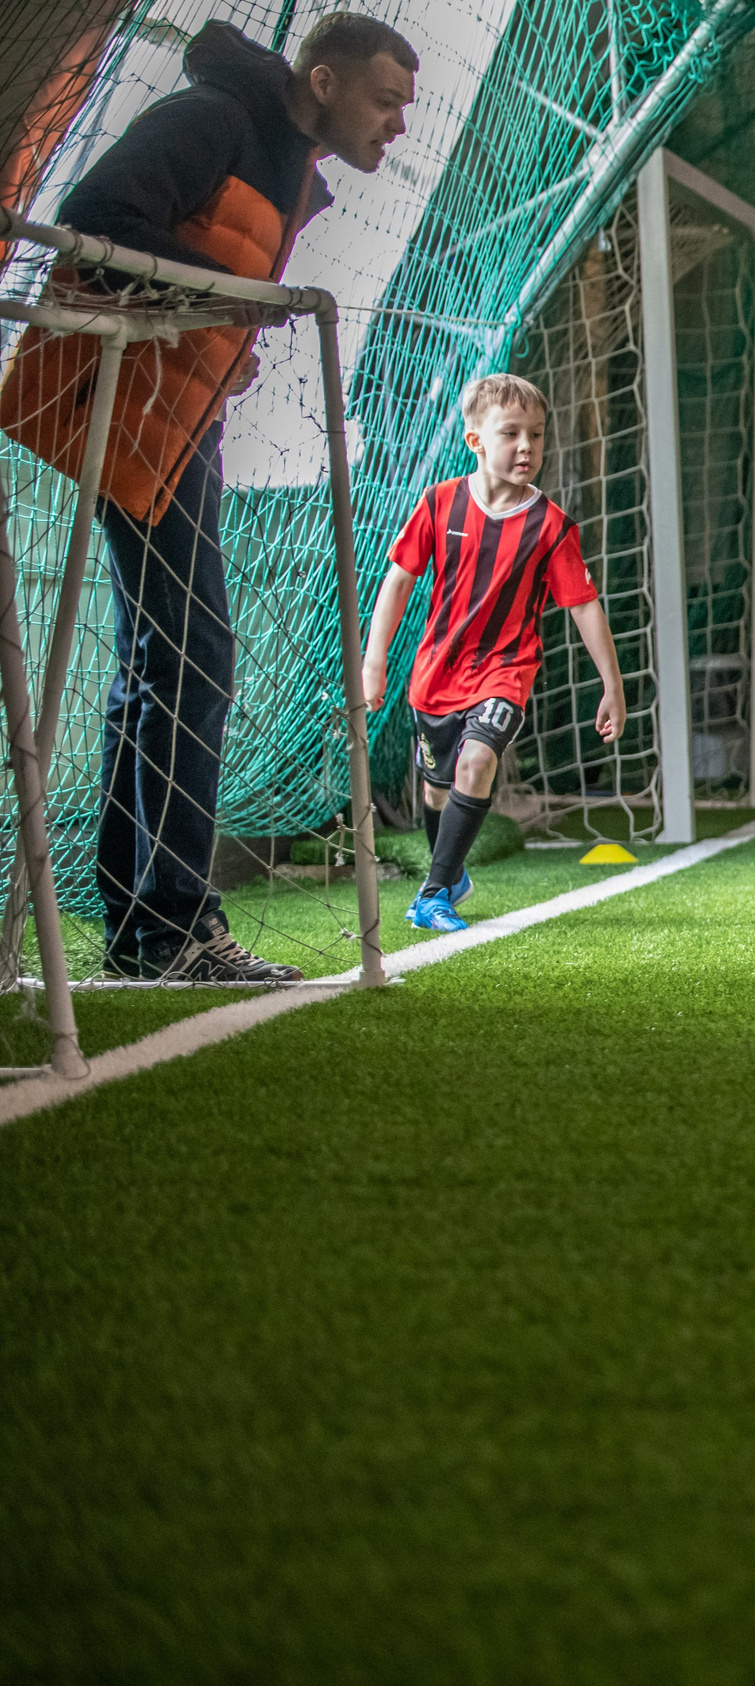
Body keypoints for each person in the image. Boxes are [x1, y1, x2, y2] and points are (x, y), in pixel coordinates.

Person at [0, 13, 416, 982]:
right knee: (191, 658)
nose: (396, 126)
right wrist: (228, 299)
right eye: (385, 100)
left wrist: (224, 337)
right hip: (123, 409)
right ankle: (168, 927)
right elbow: (99, 216)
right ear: (320, 80)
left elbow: (188, 275)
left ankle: (150, 930)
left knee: (170, 661)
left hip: (177, 424)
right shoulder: (213, 119)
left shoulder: (282, 168)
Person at [359, 375, 626, 932]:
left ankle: (431, 896)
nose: (526, 446)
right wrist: (374, 660)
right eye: (511, 433)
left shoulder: (551, 527)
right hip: (435, 678)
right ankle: (449, 876)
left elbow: (583, 606)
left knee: (478, 762)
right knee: (436, 791)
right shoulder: (439, 504)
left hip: (506, 672)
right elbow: (398, 581)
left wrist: (612, 684)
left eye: (536, 434)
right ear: (475, 440)